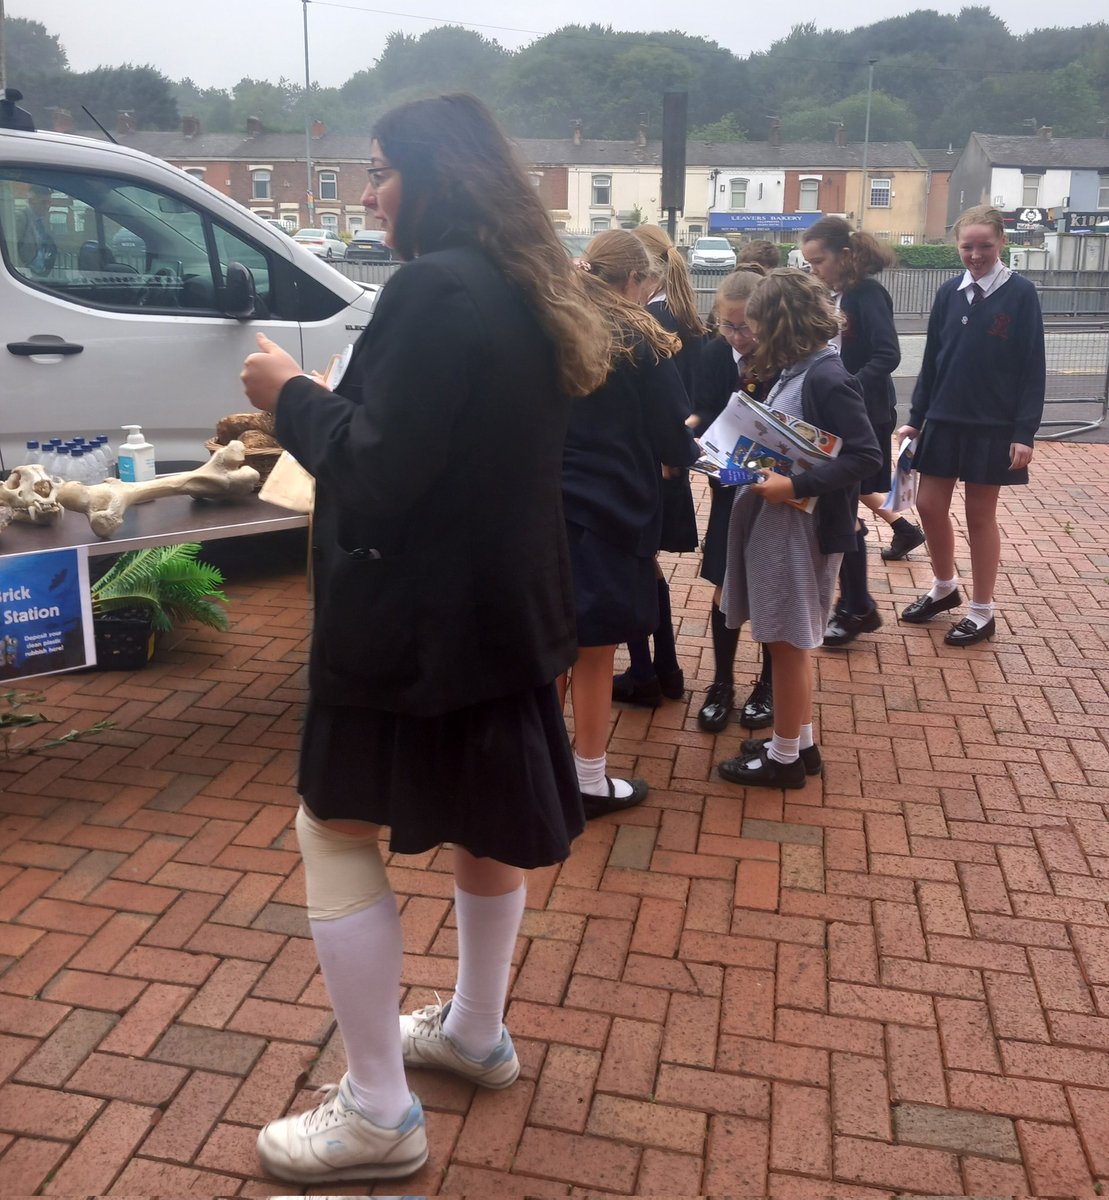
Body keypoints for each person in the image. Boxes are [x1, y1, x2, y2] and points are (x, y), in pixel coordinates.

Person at [239, 93, 610, 1185]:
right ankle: (475, 1032)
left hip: (407, 621)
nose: (367, 194)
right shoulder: (522, 285)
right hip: (501, 612)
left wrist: (288, 395)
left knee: (333, 831)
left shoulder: (432, 288)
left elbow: (385, 467)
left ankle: (376, 1112)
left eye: (379, 172)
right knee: (484, 823)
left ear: (434, 179)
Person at [715, 270, 881, 789]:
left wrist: (795, 485)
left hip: (799, 528)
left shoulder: (826, 376)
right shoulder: (799, 369)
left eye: (759, 324)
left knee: (787, 642)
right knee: (785, 640)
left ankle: (784, 759)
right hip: (781, 525)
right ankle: (798, 742)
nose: (753, 334)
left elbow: (865, 455)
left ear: (781, 323)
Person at [561, 228, 697, 815]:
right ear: (636, 282)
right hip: (611, 508)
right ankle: (589, 779)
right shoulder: (645, 341)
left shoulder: (551, 329)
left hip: (545, 503)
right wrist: (688, 447)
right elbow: (673, 435)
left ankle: (536, 767)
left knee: (550, 648)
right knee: (594, 652)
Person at [898, 204, 1045, 646]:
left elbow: (1032, 366)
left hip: (993, 425)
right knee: (927, 505)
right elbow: (932, 361)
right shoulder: (948, 293)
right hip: (943, 418)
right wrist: (916, 419)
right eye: (967, 246)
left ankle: (983, 611)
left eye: (985, 245)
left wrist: (1024, 431)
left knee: (979, 515)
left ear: (1002, 242)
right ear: (957, 247)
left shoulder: (1021, 294)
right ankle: (944, 587)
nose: (976, 254)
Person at [799, 217, 914, 649]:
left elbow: (888, 354)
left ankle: (856, 605)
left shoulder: (867, 295)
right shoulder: (833, 295)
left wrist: (847, 387)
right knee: (842, 507)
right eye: (808, 263)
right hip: (837, 414)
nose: (815, 269)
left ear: (844, 255)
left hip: (863, 415)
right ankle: (856, 603)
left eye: (819, 260)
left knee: (844, 508)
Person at [610, 223, 705, 707]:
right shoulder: (680, 312)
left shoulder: (646, 320)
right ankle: (659, 668)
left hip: (641, 463)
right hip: (659, 459)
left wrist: (673, 451)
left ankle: (651, 671)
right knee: (644, 568)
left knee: (635, 569)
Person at [690, 266, 779, 733]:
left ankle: (767, 684)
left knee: (765, 587)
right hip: (727, 482)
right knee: (725, 582)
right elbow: (704, 407)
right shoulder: (711, 353)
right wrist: (690, 428)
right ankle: (721, 682)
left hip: (770, 487)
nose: (736, 336)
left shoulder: (780, 358)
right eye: (727, 325)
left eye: (744, 326)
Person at [16, 184, 57, 276]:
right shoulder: (21, 217)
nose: (47, 206)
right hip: (24, 277)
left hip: (39, 274)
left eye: (49, 202)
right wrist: (21, 273)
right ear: (31, 201)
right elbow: (11, 250)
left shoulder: (41, 220)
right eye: (43, 202)